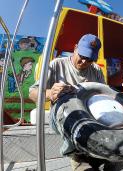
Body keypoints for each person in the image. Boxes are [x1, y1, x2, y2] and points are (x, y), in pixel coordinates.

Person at [29, 34, 115, 170]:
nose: (84, 62)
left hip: (88, 114)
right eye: (82, 56)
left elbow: (104, 96)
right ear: (75, 48)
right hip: (62, 115)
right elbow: (32, 93)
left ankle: (101, 152)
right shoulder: (57, 64)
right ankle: (77, 157)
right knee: (73, 117)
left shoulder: (96, 70)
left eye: (90, 59)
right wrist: (50, 93)